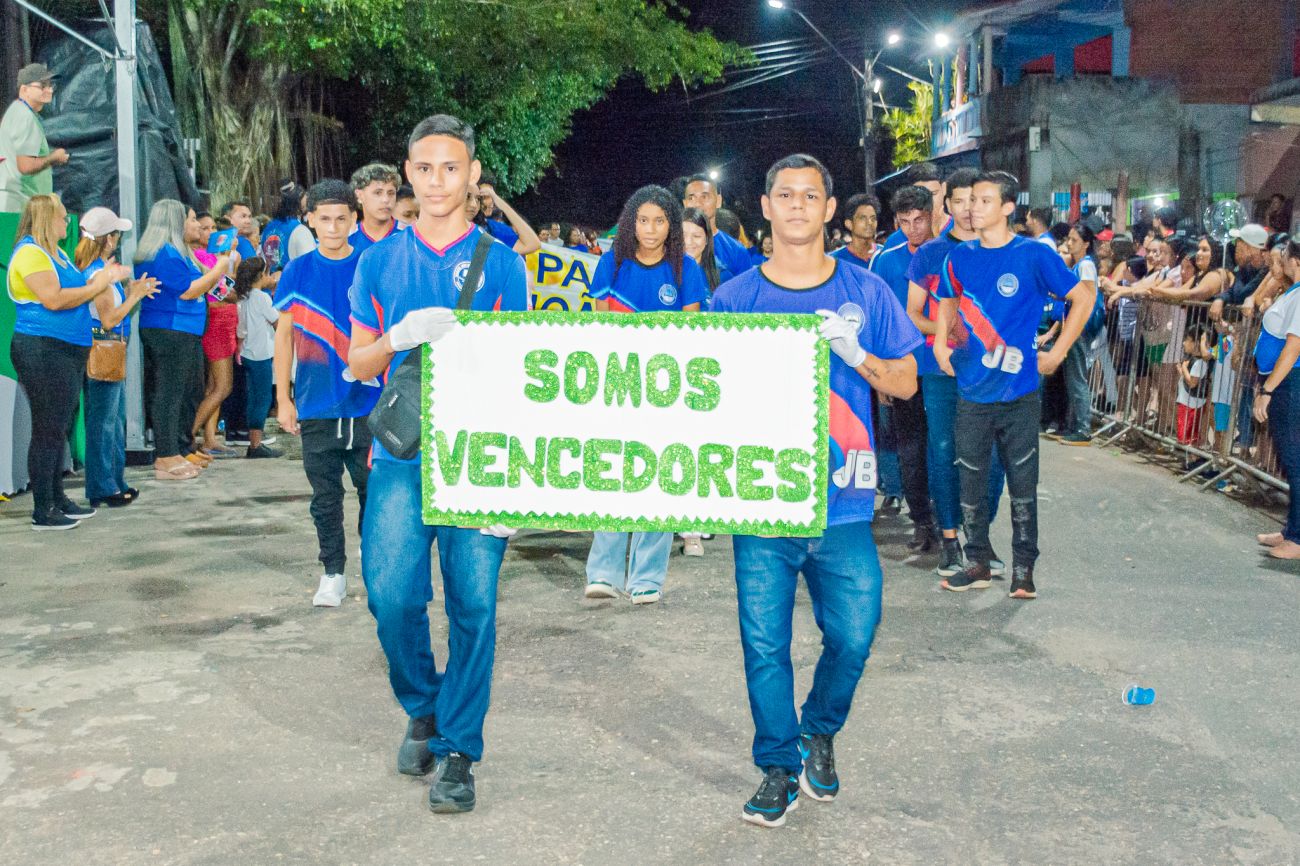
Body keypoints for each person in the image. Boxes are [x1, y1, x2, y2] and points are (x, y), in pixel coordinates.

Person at [710, 154, 921, 828]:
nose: (797, 205)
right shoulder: (733, 299)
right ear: (766, 206)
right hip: (761, 500)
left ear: (830, 210)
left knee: (854, 633)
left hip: (844, 499)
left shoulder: (867, 291)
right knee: (764, 645)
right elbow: (704, 396)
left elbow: (906, 383)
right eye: (785, 194)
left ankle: (818, 730)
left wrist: (857, 355)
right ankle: (777, 766)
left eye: (810, 195)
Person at [347, 114, 527, 814]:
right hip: (401, 453)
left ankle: (458, 748)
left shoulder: (502, 263)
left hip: (480, 456)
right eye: (424, 168)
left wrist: (516, 484)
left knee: (473, 606)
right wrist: (398, 335)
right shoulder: (379, 260)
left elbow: (523, 373)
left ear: (473, 174)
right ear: (407, 174)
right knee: (391, 597)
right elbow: (360, 362)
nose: (437, 181)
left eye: (451, 168)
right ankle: (422, 704)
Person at [933, 170, 1093, 600]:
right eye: (970, 200)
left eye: (984, 201)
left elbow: (1084, 297)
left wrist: (1058, 352)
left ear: (1008, 207)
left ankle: (1024, 568)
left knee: (1023, 483)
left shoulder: (1033, 255)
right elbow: (948, 298)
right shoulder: (959, 256)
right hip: (971, 391)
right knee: (970, 483)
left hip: (1018, 392)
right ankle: (977, 563)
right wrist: (942, 342)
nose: (973, 208)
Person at [585, 185, 707, 598]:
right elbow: (599, 329)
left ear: (671, 225)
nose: (650, 229)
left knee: (659, 479)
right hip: (617, 388)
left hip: (666, 393)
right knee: (613, 475)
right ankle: (603, 574)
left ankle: (646, 579)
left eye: (659, 221)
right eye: (642, 221)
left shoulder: (686, 270)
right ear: (630, 223)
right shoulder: (611, 264)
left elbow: (692, 335)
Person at [274, 178, 379, 606]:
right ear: (310, 221)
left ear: (354, 219)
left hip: (369, 402)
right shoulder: (297, 271)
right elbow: (283, 337)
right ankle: (333, 572)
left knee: (375, 492)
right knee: (325, 497)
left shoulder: (371, 264)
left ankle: (375, 563)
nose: (333, 227)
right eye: (324, 219)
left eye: (341, 218)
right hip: (315, 402)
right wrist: (283, 398)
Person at [905, 168, 1008, 578]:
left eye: (976, 200)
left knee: (994, 459)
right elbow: (913, 314)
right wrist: (948, 329)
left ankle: (978, 536)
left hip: (992, 374)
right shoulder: (930, 254)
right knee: (945, 452)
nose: (968, 209)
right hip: (942, 370)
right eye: (960, 201)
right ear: (946, 205)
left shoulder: (1001, 251)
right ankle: (950, 539)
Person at [8, 194, 130, 529]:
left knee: (58, 428)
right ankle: (43, 508)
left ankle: (57, 498)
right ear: (47, 219)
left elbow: (75, 292)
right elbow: (53, 299)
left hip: (65, 351)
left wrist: (104, 280)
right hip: (42, 350)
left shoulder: (57, 254)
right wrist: (98, 285)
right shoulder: (31, 254)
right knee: (48, 429)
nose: (68, 222)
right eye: (62, 217)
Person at [135, 199, 231, 480]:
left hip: (186, 330)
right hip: (169, 330)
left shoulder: (180, 252)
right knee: (169, 393)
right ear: (175, 223)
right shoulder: (164, 253)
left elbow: (206, 285)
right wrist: (220, 268)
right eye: (190, 219)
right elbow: (188, 291)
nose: (196, 225)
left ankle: (181, 447)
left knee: (189, 391)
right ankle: (166, 454)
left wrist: (220, 263)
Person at [74, 207, 158, 508]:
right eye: (117, 235)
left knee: (112, 420)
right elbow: (109, 319)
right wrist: (134, 295)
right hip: (104, 351)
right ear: (108, 239)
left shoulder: (98, 271)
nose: (118, 240)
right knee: (104, 423)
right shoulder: (99, 275)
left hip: (109, 352)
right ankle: (103, 486)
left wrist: (131, 291)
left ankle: (113, 481)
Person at [869, 185, 937, 551]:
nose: (913, 228)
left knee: (942, 448)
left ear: (931, 216)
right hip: (902, 370)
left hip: (943, 369)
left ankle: (947, 520)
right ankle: (922, 521)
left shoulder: (949, 253)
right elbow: (876, 319)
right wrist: (881, 377)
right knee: (910, 450)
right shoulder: (886, 260)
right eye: (905, 221)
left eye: (919, 220)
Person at [1253, 237, 1300, 559]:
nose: (1279, 257)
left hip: (1290, 383)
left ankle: (1297, 538)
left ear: (1295, 260)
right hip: (1286, 382)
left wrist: (1268, 389)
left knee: (1295, 460)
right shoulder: (1292, 291)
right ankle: (1290, 529)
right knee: (1290, 459)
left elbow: (1294, 346)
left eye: (1284, 253)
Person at [191, 228, 240, 458]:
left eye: (213, 228)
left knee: (214, 386)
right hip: (216, 322)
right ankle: (187, 436)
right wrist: (230, 288)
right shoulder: (199, 256)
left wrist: (230, 264)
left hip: (227, 321)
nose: (211, 232)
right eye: (205, 228)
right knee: (223, 386)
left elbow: (230, 288)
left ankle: (209, 439)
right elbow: (220, 293)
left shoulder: (220, 257)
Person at [1056, 223, 1103, 445]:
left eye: (1074, 240)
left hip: (1080, 327)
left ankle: (1082, 428)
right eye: (1069, 239)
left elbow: (1087, 298)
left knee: (1077, 378)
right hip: (1075, 325)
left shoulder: (1085, 266)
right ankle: (1073, 425)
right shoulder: (1080, 265)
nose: (1069, 243)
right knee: (1072, 378)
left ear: (1086, 244)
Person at [0, 64, 69, 213]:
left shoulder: (16, 112)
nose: (49, 90)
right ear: (24, 89)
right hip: (21, 206)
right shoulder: (24, 117)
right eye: (43, 86)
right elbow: (26, 166)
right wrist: (54, 157)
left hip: (15, 203)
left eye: (50, 85)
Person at [234, 258, 281, 458]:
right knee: (263, 398)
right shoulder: (262, 298)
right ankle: (255, 444)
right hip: (262, 354)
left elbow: (241, 329)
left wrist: (239, 346)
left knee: (253, 397)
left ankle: (254, 442)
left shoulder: (244, 298)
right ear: (260, 276)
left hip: (248, 352)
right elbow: (277, 321)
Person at [683, 175, 755, 279]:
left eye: (704, 196)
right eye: (691, 198)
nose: (698, 204)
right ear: (685, 204)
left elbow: (747, 288)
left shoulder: (737, 251)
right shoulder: (669, 248)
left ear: (718, 201)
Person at [882, 162, 946, 248]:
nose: (928, 201)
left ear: (944, 189)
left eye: (933, 194)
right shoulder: (895, 241)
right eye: (920, 196)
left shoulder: (961, 229)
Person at [473, 177, 540, 255]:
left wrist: (500, 202)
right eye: (484, 197)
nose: (492, 201)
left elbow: (532, 244)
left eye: (493, 196)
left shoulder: (493, 229)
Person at [350, 163, 403, 255]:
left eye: (391, 193)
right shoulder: (346, 238)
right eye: (378, 193)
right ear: (359, 196)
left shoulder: (412, 235)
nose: (386, 200)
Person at [1175, 324, 1211, 448]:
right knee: (1185, 434)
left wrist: (1184, 368)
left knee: (1188, 435)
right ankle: (1188, 454)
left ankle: (1191, 455)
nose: (1184, 343)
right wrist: (1182, 371)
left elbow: (1192, 383)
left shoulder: (1199, 363)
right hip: (1187, 402)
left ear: (1196, 343)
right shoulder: (1193, 360)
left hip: (1191, 405)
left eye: (1187, 340)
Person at [262, 181, 306, 271]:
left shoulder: (268, 227)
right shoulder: (298, 229)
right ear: (298, 202)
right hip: (291, 277)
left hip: (272, 277)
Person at [682, 205, 726, 293]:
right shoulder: (664, 272)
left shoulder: (723, 276)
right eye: (682, 235)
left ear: (707, 239)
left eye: (696, 236)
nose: (689, 242)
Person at [831, 193, 880, 270]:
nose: (869, 222)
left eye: (873, 218)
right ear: (849, 224)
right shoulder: (835, 260)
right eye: (862, 218)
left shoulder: (885, 255)